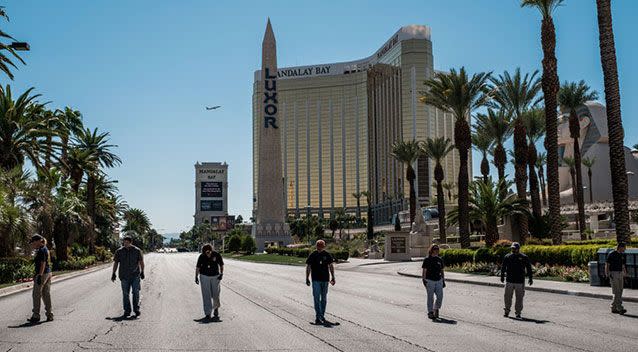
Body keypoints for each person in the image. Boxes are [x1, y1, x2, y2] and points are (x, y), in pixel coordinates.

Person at [111, 236, 144, 317]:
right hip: (124, 276)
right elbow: (116, 263)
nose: (125, 244)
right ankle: (127, 311)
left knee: (135, 292)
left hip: (135, 276)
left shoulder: (137, 251)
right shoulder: (119, 251)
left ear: (130, 242)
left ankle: (136, 309)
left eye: (127, 242)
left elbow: (141, 262)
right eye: (124, 242)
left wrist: (142, 272)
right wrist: (113, 273)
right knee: (125, 294)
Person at [305, 240, 335, 326]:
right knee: (316, 298)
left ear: (324, 246)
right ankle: (318, 316)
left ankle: (321, 315)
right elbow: (308, 266)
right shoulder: (313, 255)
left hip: (325, 280)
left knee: (324, 299)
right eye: (318, 245)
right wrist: (307, 278)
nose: (320, 247)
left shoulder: (327, 254)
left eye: (321, 246)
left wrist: (333, 277)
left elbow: (331, 266)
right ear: (316, 246)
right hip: (316, 280)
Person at [500, 242, 533, 319]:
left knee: (519, 298)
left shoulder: (524, 257)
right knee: (507, 297)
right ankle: (506, 311)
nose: (513, 250)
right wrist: (502, 276)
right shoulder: (507, 257)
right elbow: (503, 267)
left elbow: (529, 268)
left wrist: (530, 278)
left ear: (518, 249)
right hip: (509, 281)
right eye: (512, 248)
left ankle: (518, 312)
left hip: (520, 281)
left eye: (514, 248)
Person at [195, 243, 224, 321]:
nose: (208, 254)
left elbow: (221, 265)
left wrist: (221, 273)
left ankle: (216, 309)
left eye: (209, 252)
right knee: (206, 295)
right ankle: (208, 313)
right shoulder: (201, 256)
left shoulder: (217, 255)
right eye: (206, 252)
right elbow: (198, 267)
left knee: (216, 293)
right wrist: (196, 277)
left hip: (215, 277)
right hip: (204, 276)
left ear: (211, 250)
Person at [28, 235, 53, 323]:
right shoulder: (44, 248)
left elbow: (43, 263)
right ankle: (50, 315)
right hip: (48, 273)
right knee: (46, 294)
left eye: (34, 241)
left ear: (39, 241)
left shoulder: (42, 250)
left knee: (36, 294)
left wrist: (39, 275)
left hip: (42, 274)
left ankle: (36, 315)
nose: (33, 243)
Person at [421, 244, 445, 320]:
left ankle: (436, 308)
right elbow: (424, 271)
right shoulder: (427, 259)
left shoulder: (439, 260)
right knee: (430, 297)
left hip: (439, 280)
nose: (437, 250)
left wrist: (443, 280)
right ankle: (430, 312)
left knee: (440, 296)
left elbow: (442, 271)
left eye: (437, 249)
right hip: (429, 280)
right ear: (431, 250)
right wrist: (424, 280)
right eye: (435, 249)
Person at [605, 242, 627, 314]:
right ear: (620, 247)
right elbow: (607, 264)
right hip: (613, 273)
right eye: (624, 247)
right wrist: (607, 273)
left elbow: (622, 265)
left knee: (620, 290)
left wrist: (625, 272)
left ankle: (613, 307)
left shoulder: (622, 255)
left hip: (620, 273)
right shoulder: (611, 254)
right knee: (616, 291)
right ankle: (620, 308)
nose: (625, 249)